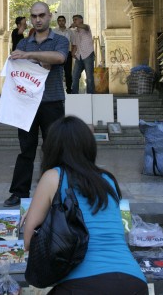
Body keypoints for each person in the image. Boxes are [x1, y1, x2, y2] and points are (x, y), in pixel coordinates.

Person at [24, 116, 148, 295]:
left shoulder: (53, 177)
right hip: (134, 281)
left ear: (52, 147)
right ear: (89, 145)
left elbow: (29, 242)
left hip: (83, 285)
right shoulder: (107, 180)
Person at [3, 1, 69, 207]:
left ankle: (56, 191)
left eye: (41, 15)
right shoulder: (22, 43)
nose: (38, 19)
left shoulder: (60, 40)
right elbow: (16, 64)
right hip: (27, 104)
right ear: (30, 18)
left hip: (53, 101)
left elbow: (59, 58)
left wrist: (31, 56)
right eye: (34, 16)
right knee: (26, 149)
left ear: (49, 16)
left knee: (54, 148)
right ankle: (19, 192)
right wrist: (39, 60)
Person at [71, 14, 95, 94]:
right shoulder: (75, 32)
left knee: (89, 77)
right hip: (79, 56)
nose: (74, 21)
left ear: (81, 20)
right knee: (75, 76)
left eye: (76, 19)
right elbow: (75, 45)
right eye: (73, 20)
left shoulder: (86, 27)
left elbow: (85, 27)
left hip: (88, 54)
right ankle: (74, 95)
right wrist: (73, 53)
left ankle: (90, 95)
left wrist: (76, 25)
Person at [53, 15, 74, 93]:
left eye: (62, 20)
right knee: (58, 72)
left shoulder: (70, 32)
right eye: (59, 20)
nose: (61, 22)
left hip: (67, 54)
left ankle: (69, 89)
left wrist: (73, 53)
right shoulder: (54, 31)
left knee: (68, 72)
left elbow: (74, 43)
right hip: (57, 54)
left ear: (65, 21)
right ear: (58, 22)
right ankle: (57, 90)